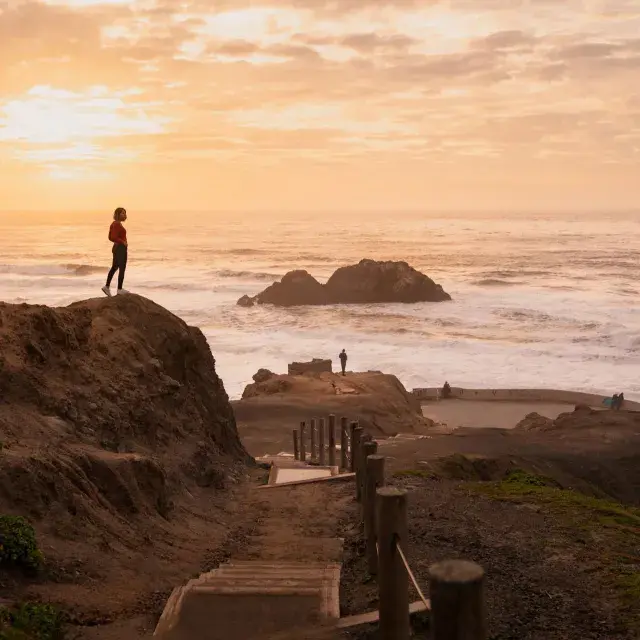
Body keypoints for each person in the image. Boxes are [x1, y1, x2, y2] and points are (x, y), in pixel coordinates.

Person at [102, 207, 129, 296]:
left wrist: (120, 242)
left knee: (114, 267)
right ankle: (119, 289)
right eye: (122, 213)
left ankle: (107, 286)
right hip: (120, 248)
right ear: (117, 214)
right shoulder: (117, 224)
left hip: (117, 248)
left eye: (125, 213)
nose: (124, 215)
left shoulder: (114, 224)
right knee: (122, 268)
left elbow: (110, 237)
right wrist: (123, 242)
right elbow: (113, 237)